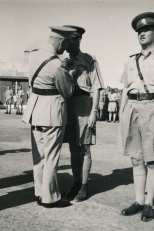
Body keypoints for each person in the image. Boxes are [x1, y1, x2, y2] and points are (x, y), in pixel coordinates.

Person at [119, 12, 154, 221]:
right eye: (139, 31)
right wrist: (123, 115)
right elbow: (125, 89)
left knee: (152, 161)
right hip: (133, 108)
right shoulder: (131, 60)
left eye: (146, 30)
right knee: (136, 159)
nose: (142, 33)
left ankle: (149, 204)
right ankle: (138, 201)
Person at [22, 26, 75, 208]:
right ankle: (50, 197)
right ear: (60, 41)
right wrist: (71, 76)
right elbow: (67, 92)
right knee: (51, 156)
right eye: (66, 42)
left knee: (39, 156)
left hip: (35, 110)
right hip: (52, 112)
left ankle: (39, 192)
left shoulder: (34, 55)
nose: (66, 47)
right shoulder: (57, 65)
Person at [62, 25, 104, 202]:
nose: (68, 43)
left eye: (72, 40)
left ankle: (85, 187)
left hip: (85, 105)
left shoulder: (89, 60)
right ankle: (76, 183)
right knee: (73, 148)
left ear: (78, 40)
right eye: (67, 40)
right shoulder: (62, 62)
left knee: (84, 148)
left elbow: (96, 87)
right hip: (68, 104)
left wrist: (94, 111)